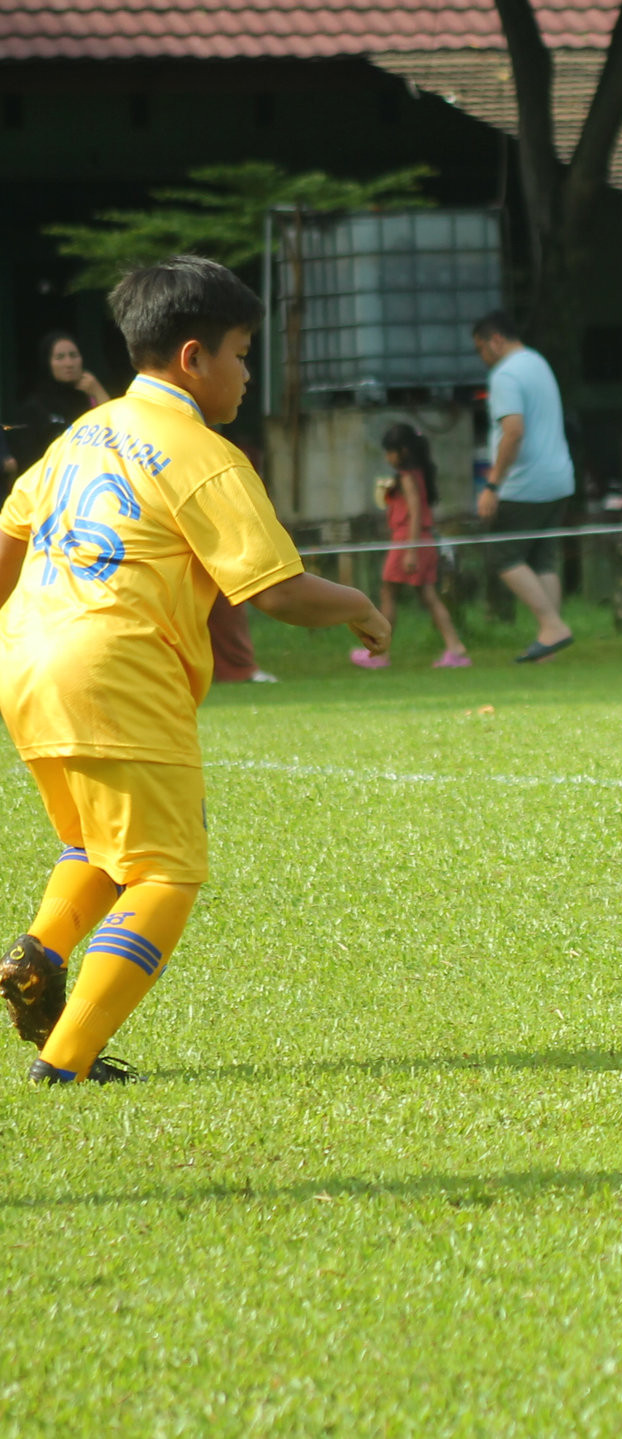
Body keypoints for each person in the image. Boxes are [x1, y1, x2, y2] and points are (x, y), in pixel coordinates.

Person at [0, 255, 388, 1083]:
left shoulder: (78, 436)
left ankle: (38, 952)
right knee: (167, 871)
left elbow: (10, 534)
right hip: (116, 668)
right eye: (242, 354)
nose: (248, 374)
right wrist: (360, 604)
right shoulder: (201, 453)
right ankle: (66, 1060)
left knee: (97, 843)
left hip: (28, 661)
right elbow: (278, 593)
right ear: (193, 358)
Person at [472, 311, 576, 663]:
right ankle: (551, 642)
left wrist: (492, 484)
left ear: (495, 340)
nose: (481, 358)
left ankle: (551, 626)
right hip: (558, 478)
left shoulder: (505, 374)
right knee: (542, 559)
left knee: (503, 554)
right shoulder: (537, 362)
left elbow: (513, 431)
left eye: (480, 349)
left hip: (525, 483)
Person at [351, 423, 469, 670]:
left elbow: (415, 512)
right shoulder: (418, 474)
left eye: (390, 451)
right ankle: (455, 647)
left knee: (388, 593)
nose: (387, 457)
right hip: (420, 539)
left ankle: (379, 652)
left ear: (401, 451)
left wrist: (411, 550)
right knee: (428, 596)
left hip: (409, 541)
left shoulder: (407, 477)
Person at [13, 331, 113, 479]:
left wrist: (98, 392)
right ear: (47, 363)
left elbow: (116, 431)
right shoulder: (34, 407)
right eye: (60, 357)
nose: (69, 363)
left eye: (73, 356)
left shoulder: (90, 398)